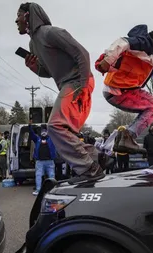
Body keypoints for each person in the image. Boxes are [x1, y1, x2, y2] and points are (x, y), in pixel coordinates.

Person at [16, 2, 104, 184]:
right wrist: (35, 68)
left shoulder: (51, 33)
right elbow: (48, 72)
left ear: (27, 17)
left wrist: (82, 86)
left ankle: (90, 169)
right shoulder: (33, 44)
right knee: (65, 130)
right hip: (67, 83)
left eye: (18, 16)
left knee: (55, 126)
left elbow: (83, 54)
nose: (16, 20)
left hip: (78, 80)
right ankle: (98, 157)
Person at [95, 24, 153, 154]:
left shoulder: (148, 47)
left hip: (119, 89)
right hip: (120, 91)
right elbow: (122, 42)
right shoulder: (146, 44)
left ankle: (122, 139)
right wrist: (108, 60)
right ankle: (128, 137)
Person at [29, 123, 56, 195]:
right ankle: (38, 190)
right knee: (38, 175)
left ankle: (52, 190)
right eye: (42, 131)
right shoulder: (37, 139)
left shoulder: (51, 139)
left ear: (47, 132)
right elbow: (32, 134)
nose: (43, 132)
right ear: (40, 132)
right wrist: (30, 126)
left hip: (49, 161)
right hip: (40, 162)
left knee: (51, 175)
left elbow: (57, 133)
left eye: (45, 131)